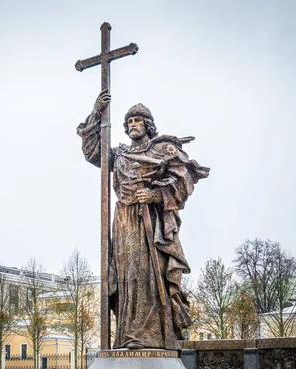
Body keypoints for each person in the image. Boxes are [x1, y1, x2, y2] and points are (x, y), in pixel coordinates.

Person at [77, 90, 209, 350]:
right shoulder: (121, 155)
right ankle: (128, 335)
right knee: (127, 277)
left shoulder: (162, 149)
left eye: (137, 120)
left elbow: (185, 178)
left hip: (150, 223)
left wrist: (155, 194)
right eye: (129, 122)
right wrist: (95, 114)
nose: (132, 125)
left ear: (147, 125)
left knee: (148, 275)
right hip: (124, 221)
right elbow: (93, 152)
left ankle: (151, 336)